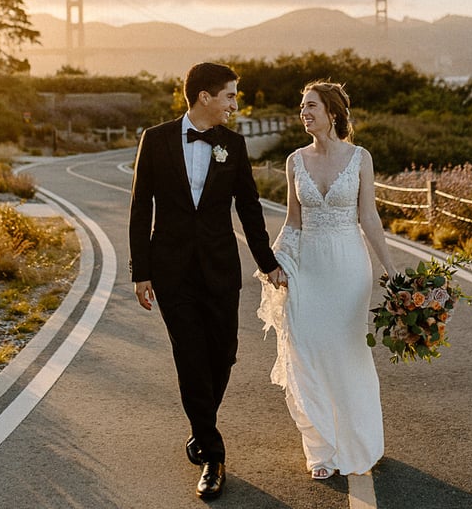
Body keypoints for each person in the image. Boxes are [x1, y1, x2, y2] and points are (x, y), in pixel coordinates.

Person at [128, 62, 285, 500]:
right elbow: (141, 208)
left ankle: (200, 427)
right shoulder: (155, 140)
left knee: (224, 354)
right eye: (231, 96)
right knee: (191, 357)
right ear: (204, 97)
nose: (236, 104)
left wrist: (268, 262)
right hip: (171, 271)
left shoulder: (233, 145)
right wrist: (140, 270)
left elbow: (249, 209)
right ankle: (212, 455)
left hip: (220, 270)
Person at [256, 80, 398, 480]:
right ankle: (321, 447)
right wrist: (275, 262)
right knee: (307, 348)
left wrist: (389, 266)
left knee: (348, 352)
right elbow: (293, 221)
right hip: (308, 266)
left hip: (349, 266)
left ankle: (358, 440)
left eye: (311, 105)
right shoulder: (294, 160)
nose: (304, 112)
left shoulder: (359, 158)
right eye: (302, 106)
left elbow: (368, 216)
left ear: (332, 113)